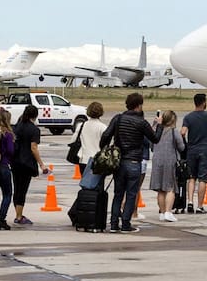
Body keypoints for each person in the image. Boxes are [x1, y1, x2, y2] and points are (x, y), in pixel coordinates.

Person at [100, 92, 163, 233]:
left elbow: (105, 135)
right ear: (139, 105)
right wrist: (159, 125)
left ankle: (114, 223)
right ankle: (126, 224)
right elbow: (155, 139)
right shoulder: (141, 122)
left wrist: (104, 150)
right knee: (131, 194)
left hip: (119, 161)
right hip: (134, 161)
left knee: (118, 193)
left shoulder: (118, 118)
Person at [10, 104, 49, 227]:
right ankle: (19, 216)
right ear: (35, 116)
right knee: (22, 190)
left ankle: (18, 213)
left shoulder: (16, 127)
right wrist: (41, 164)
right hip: (26, 163)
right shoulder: (34, 130)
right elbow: (34, 147)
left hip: (15, 161)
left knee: (16, 188)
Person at [181, 93, 207, 215]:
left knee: (191, 177)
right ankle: (200, 206)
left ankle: (190, 202)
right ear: (203, 103)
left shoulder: (188, 117)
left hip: (192, 150)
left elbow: (182, 132)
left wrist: (185, 145)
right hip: (205, 149)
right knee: (203, 178)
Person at [149, 110, 185, 222]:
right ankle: (168, 212)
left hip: (157, 160)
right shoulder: (174, 132)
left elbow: (151, 145)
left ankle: (162, 212)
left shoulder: (156, 130)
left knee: (160, 189)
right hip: (170, 160)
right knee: (170, 187)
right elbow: (181, 147)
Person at [77, 101, 108, 191]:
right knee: (98, 188)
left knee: (85, 187)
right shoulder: (103, 127)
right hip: (98, 161)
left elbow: (73, 140)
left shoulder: (81, 125)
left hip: (84, 159)